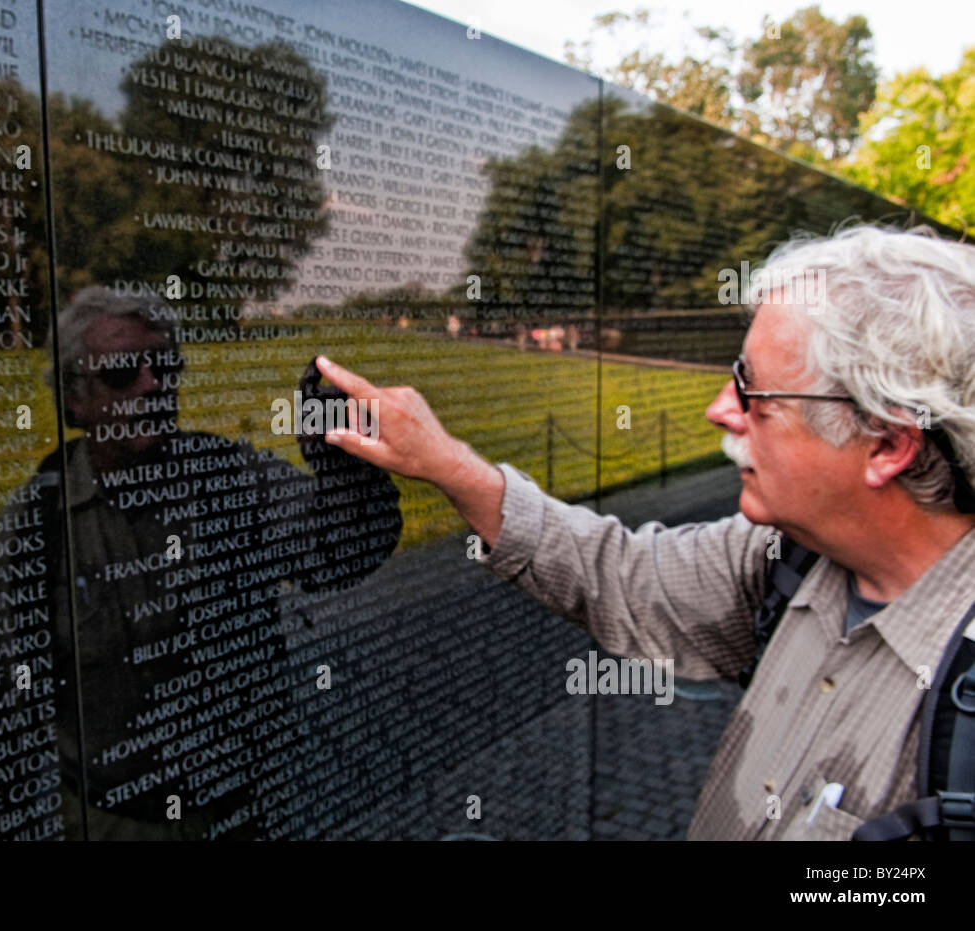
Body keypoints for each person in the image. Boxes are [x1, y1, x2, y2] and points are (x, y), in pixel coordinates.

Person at [317, 225, 975, 840]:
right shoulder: (790, 558)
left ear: (886, 444)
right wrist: (449, 464)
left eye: (756, 395)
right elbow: (622, 575)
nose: (719, 408)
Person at [0, 287, 402, 840]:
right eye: (122, 373)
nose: (151, 384)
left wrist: (345, 467)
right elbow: (7, 699)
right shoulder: (41, 516)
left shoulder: (229, 476)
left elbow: (337, 555)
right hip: (111, 822)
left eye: (165, 367)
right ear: (75, 398)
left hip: (235, 813)